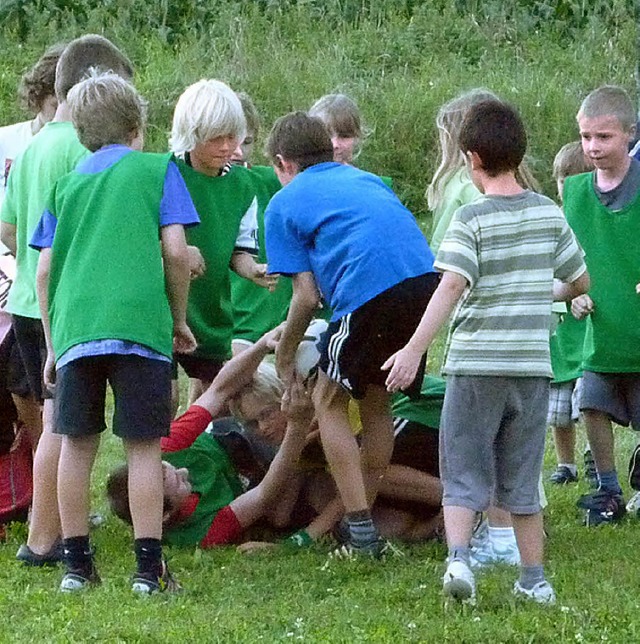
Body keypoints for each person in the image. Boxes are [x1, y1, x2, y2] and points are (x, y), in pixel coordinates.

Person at [383, 99, 588, 605]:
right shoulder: (548, 213)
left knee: (463, 470)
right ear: (519, 155)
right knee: (521, 476)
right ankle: (535, 579)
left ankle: (458, 560)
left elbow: (451, 287)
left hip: (475, 367)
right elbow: (579, 281)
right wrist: (541, 292)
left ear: (471, 158)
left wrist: (413, 349)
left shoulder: (470, 219)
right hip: (530, 369)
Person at [30, 71, 199, 593]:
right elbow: (175, 251)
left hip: (77, 326)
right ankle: (148, 569)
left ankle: (76, 566)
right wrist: (177, 319)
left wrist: (55, 344)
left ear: (81, 134)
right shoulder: (158, 170)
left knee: (75, 445)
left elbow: (42, 270)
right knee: (143, 448)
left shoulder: (66, 185)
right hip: (139, 326)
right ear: (138, 127)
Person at [264, 111, 438, 557]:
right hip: (423, 286)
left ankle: (360, 529)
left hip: (370, 292)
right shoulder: (367, 179)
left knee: (328, 401)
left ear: (283, 163)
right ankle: (362, 518)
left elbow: (304, 297)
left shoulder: (283, 203)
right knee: (376, 401)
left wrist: (284, 357)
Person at [108, 326, 444, 550]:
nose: (182, 472)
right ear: (163, 516)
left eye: (268, 415)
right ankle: (434, 523)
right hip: (310, 456)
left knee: (356, 465)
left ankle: (468, 503)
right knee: (339, 494)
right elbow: (272, 500)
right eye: (175, 483)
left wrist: (261, 345)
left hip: (421, 414)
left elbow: (220, 389)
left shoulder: (169, 447)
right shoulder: (202, 534)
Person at [0, 34, 134, 567]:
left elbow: (9, 230)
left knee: (54, 420)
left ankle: (42, 530)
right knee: (66, 425)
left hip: (29, 302)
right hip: (68, 303)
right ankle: (44, 538)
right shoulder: (84, 148)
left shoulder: (31, 148)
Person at [169, 80, 275, 399]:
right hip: (163, 310)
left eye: (234, 136)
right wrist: (177, 251)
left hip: (210, 313)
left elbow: (238, 251)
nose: (228, 147)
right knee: (164, 399)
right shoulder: (164, 174)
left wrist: (252, 270)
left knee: (221, 396)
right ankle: (160, 449)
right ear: (192, 133)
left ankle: (198, 448)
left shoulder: (242, 186)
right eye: (217, 138)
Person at [565, 86, 640, 525]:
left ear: (629, 135)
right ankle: (607, 487)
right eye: (587, 137)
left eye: (604, 137)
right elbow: (563, 259)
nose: (593, 147)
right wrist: (573, 293)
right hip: (600, 328)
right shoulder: (574, 193)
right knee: (592, 403)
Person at [230, 91, 291, 357]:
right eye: (230, 139)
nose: (238, 151)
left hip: (275, 320)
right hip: (230, 323)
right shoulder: (198, 187)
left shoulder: (271, 181)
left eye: (248, 142)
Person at [547, 141, 594, 486]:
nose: (565, 184)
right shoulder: (551, 222)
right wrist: (564, 299)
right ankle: (567, 464)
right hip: (559, 331)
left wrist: (586, 296)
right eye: (561, 177)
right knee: (558, 408)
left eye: (574, 177)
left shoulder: (597, 222)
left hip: (590, 332)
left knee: (590, 401)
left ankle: (594, 458)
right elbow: (542, 275)